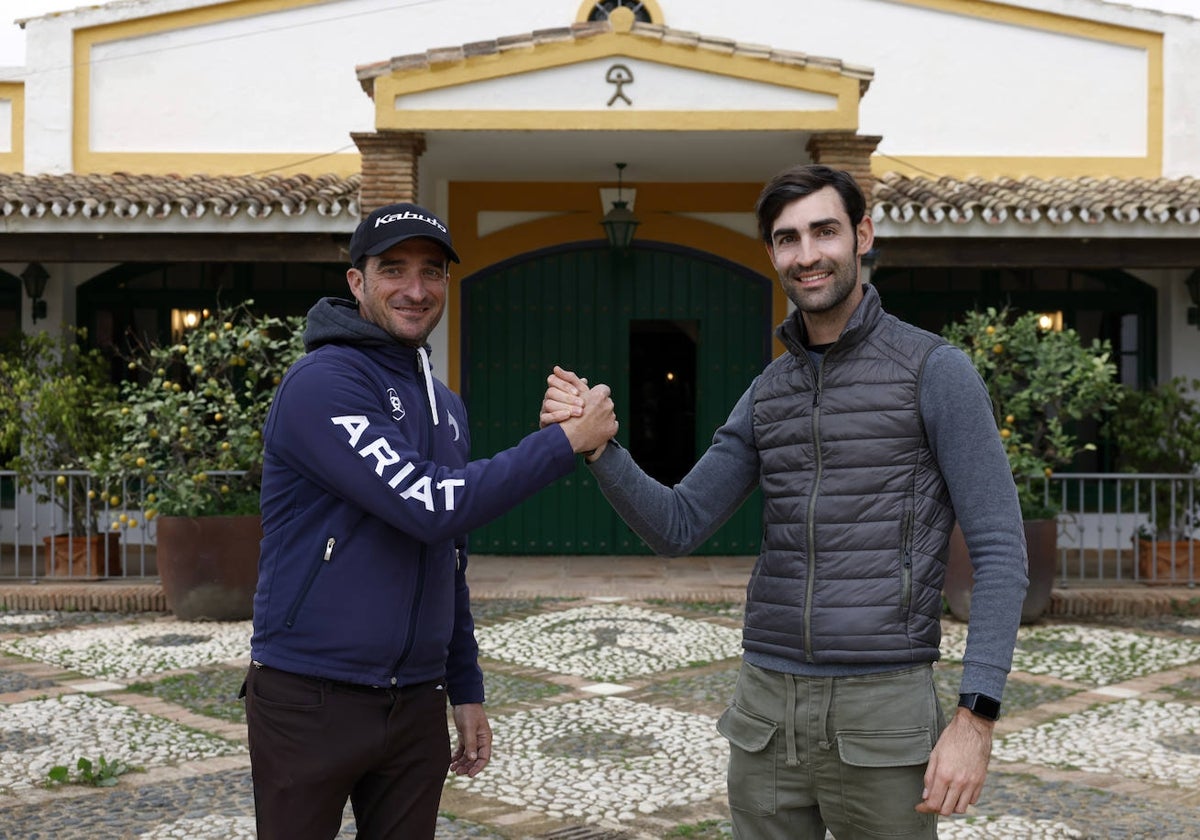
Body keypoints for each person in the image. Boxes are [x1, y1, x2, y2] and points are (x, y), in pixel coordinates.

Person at [543, 165, 1029, 839]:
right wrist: (599, 450)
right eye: (786, 238)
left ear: (862, 235)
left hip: (883, 710)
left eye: (824, 231)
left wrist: (975, 721)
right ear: (772, 253)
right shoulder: (770, 391)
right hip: (766, 711)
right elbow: (678, 525)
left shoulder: (934, 371)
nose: (806, 255)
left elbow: (1001, 551)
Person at [245, 202, 617, 840]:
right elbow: (428, 502)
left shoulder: (443, 402)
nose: (416, 289)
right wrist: (563, 444)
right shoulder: (320, 385)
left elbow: (448, 551)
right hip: (311, 696)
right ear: (357, 282)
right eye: (394, 269)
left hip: (415, 704)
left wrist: (463, 686)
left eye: (433, 272)